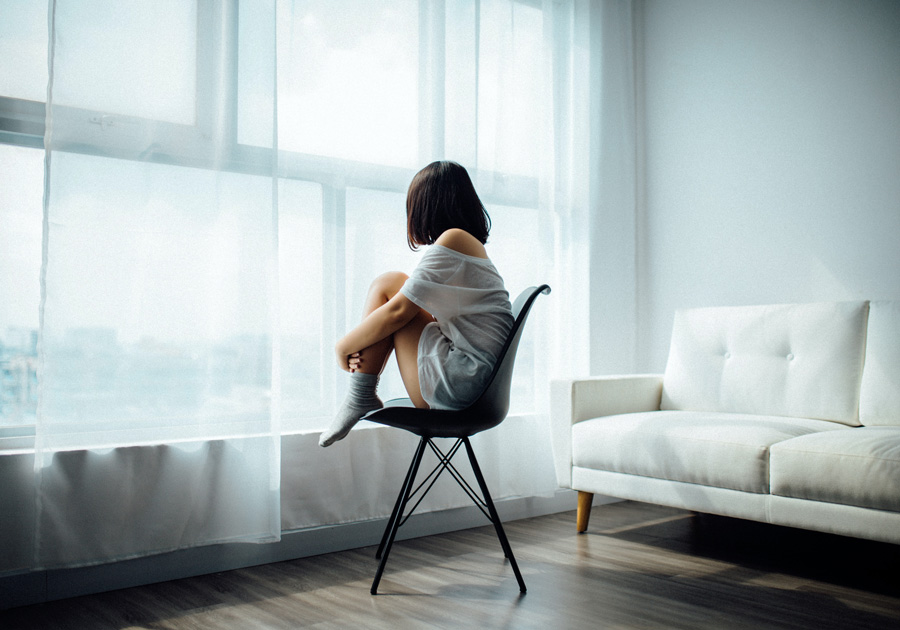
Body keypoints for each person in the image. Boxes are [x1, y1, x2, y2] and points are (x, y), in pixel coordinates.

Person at [319, 161, 514, 447]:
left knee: (388, 286)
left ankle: (359, 394)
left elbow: (399, 312)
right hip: (474, 385)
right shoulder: (467, 246)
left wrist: (342, 347)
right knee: (393, 284)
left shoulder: (454, 239)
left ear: (426, 206)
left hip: (461, 387)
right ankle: (360, 394)